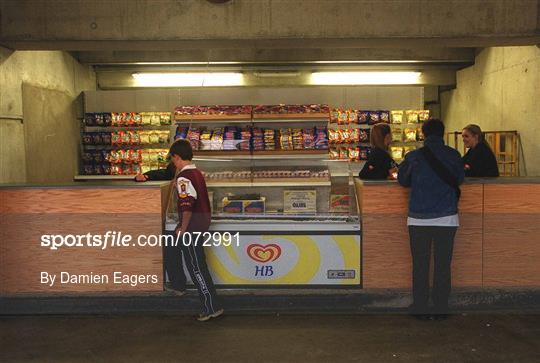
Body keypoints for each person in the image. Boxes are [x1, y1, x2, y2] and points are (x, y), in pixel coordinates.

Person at [397, 119, 464, 320]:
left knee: (420, 263)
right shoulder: (454, 155)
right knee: (443, 264)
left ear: (423, 134)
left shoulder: (414, 157)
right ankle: (441, 307)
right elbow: (459, 179)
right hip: (447, 218)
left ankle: (420, 306)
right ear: (442, 134)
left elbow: (402, 181)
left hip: (418, 218)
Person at [168, 139, 223, 321]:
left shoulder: (184, 177)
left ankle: (210, 307)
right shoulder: (197, 173)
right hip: (201, 226)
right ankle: (212, 305)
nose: (173, 163)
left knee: (196, 269)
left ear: (177, 157)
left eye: (173, 159)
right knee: (200, 266)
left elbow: (186, 206)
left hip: (191, 229)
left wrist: (182, 229)